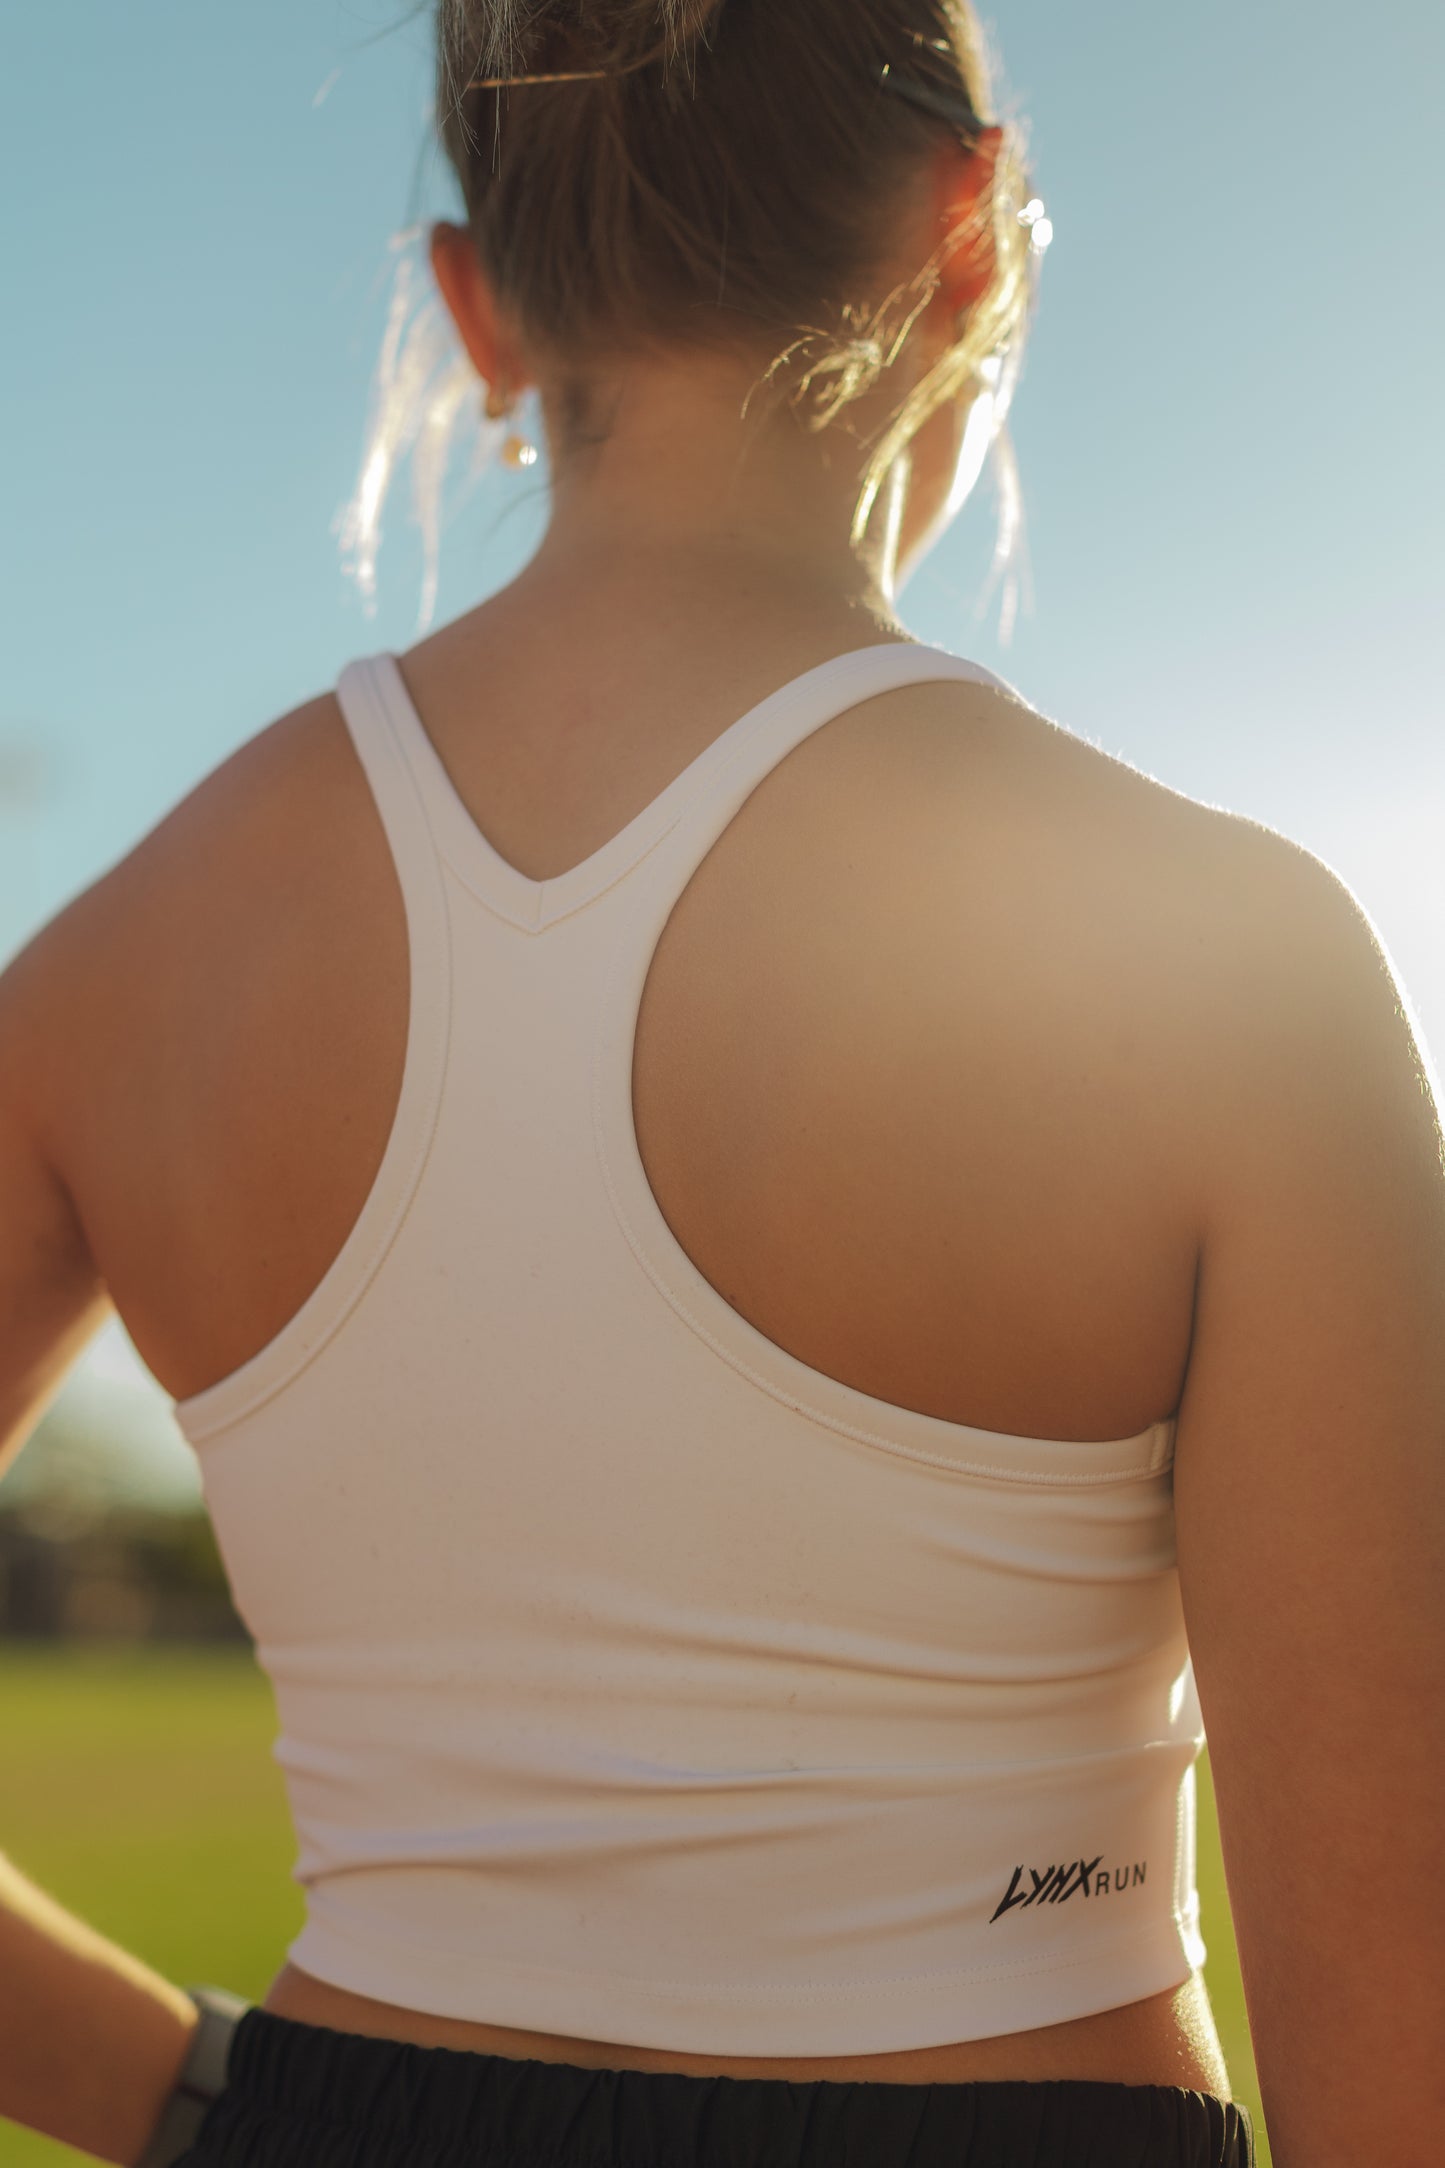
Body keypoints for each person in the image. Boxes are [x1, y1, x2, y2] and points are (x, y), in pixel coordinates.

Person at [1, 2, 1441, 2163]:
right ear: (972, 237)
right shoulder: (1228, 966)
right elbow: (1400, 2078)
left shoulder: (121, 970)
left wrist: (216, 2113)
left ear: (475, 312)